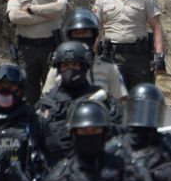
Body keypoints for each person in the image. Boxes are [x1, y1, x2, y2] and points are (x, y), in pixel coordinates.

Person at [35, 40, 122, 169]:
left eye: (75, 64)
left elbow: (120, 135)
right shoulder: (46, 105)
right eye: (65, 65)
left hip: (97, 172)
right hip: (55, 172)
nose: (70, 69)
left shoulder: (103, 99)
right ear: (58, 69)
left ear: (84, 66)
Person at [92, 0, 165, 90]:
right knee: (115, 103)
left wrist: (160, 55)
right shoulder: (102, 0)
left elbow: (157, 27)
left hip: (140, 59)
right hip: (112, 58)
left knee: (141, 100)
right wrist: (90, 57)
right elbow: (95, 31)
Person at [6, 0, 68, 103]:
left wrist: (33, 10)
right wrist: (49, 13)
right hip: (27, 51)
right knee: (28, 96)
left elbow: (61, 8)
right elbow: (14, 16)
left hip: (52, 48)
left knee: (55, 95)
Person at [42, 8, 127, 99]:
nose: (81, 37)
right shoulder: (58, 68)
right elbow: (46, 99)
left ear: (94, 36)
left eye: (85, 33)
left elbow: (120, 100)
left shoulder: (109, 67)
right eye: (77, 34)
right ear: (70, 37)